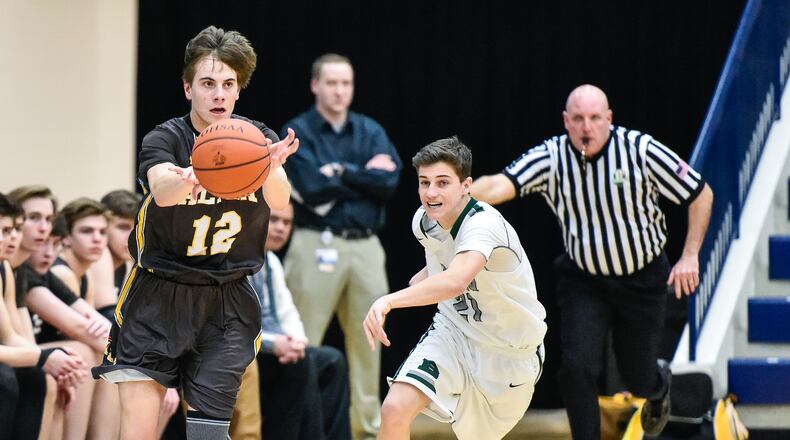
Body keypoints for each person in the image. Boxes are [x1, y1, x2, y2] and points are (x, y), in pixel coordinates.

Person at [91, 25, 300, 440]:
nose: (218, 94)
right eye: (207, 84)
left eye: (228, 84)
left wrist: (270, 164)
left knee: (208, 435)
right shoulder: (165, 138)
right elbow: (162, 190)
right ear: (188, 89)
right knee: (138, 431)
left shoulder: (257, 140)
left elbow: (280, 200)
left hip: (226, 299)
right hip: (157, 295)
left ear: (238, 91)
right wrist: (196, 173)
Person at [470, 84, 714, 439]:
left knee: (637, 377)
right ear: (566, 121)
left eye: (596, 118)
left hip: (642, 279)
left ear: (609, 119)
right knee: (577, 367)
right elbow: (499, 185)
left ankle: (658, 385)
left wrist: (690, 255)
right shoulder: (552, 156)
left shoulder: (640, 149)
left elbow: (700, 193)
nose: (587, 127)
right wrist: (455, 196)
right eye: (579, 119)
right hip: (585, 280)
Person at [363, 136, 547, 439]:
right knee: (394, 409)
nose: (431, 193)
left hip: (509, 353)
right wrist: (428, 274)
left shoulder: (484, 224)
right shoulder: (424, 222)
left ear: (466, 186)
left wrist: (388, 301)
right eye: (424, 182)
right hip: (453, 333)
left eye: (442, 183)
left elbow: (457, 280)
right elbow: (447, 262)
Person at [282, 53, 401, 439]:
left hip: (366, 247)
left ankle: (365, 431)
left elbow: (389, 183)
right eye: (331, 83)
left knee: (370, 344)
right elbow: (311, 189)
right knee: (301, 342)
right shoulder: (299, 130)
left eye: (346, 83)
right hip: (314, 242)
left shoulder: (370, 130)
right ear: (315, 85)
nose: (339, 91)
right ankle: (299, 430)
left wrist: (341, 172)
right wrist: (365, 176)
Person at [244, 201, 351, 440]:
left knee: (332, 361)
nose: (281, 228)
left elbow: (287, 312)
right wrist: (275, 344)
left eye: (287, 223)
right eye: (274, 220)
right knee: (300, 365)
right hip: (246, 352)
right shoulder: (237, 261)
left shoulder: (271, 261)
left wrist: (297, 342)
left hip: (273, 347)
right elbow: (237, 325)